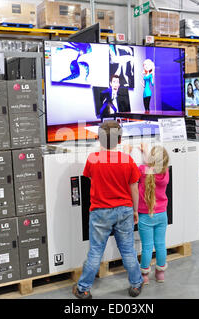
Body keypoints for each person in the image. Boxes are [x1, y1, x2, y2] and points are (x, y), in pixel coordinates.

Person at [72, 120, 144, 299]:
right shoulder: (128, 160)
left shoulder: (92, 159)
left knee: (96, 251)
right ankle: (136, 284)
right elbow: (134, 188)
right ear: (120, 140)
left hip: (100, 211)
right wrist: (135, 210)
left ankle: (83, 289)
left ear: (99, 139)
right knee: (128, 249)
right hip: (125, 210)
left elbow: (90, 179)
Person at [126, 143, 170, 284]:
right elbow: (153, 166)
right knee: (160, 244)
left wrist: (128, 153)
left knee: (147, 247)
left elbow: (130, 168)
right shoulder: (165, 173)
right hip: (162, 214)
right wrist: (148, 154)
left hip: (145, 215)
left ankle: (144, 276)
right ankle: (160, 274)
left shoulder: (142, 170)